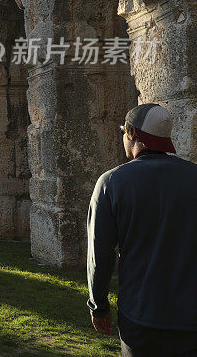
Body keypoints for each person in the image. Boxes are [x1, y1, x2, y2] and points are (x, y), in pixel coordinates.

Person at [87, 103, 197, 356]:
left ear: (131, 132)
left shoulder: (112, 183)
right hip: (191, 316)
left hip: (141, 315)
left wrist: (98, 305)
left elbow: (100, 254)